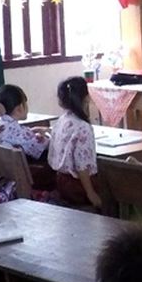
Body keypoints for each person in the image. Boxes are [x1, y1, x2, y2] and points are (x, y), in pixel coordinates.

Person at [0, 84, 54, 190]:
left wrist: (33, 133)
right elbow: (49, 145)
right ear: (19, 108)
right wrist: (48, 132)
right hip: (16, 185)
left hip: (3, 183)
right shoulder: (21, 133)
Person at [48, 76, 101, 210]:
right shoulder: (83, 127)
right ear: (86, 98)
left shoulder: (61, 121)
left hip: (60, 181)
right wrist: (91, 193)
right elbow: (81, 166)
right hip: (78, 188)